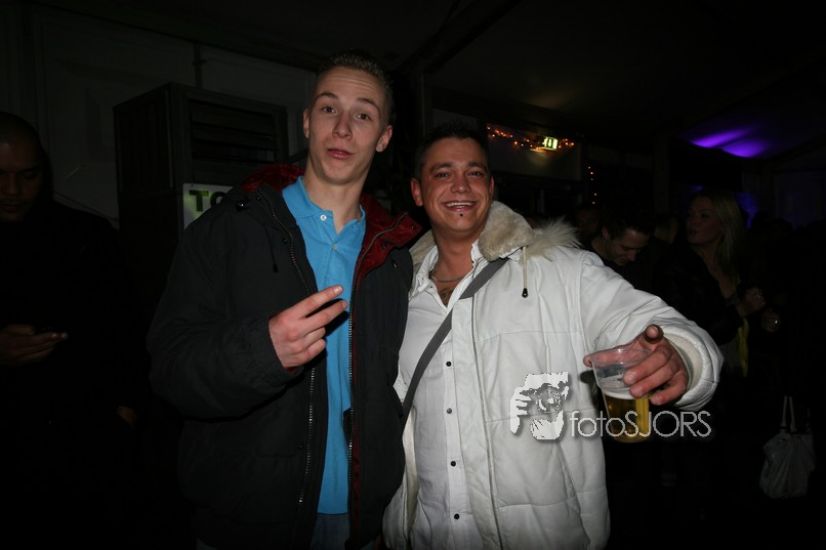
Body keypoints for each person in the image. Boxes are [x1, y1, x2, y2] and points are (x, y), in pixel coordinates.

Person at [382, 120, 722, 549]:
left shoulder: (559, 271)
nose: (461, 186)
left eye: (475, 172)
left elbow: (647, 320)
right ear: (417, 191)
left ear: (491, 186)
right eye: (443, 173)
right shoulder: (397, 295)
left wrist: (679, 354)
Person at [147, 51, 421, 549]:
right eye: (328, 109)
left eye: (362, 115)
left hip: (361, 524)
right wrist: (261, 352)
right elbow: (168, 368)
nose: (342, 129)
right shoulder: (230, 230)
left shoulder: (394, 256)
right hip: (248, 523)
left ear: (383, 137)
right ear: (307, 121)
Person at [0, 111, 144, 545]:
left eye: (27, 176)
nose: (13, 191)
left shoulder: (86, 235)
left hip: (86, 448)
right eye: (1, 176)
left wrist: (125, 415)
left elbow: (129, 328)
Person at [585, 205, 654, 289]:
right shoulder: (581, 261)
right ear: (606, 233)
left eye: (639, 249)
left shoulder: (644, 261)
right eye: (626, 248)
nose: (633, 258)